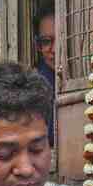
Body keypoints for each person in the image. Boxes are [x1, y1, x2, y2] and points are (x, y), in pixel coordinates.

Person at [34, 10, 56, 146]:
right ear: (38, 46)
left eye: (60, 39)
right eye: (46, 41)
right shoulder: (34, 86)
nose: (53, 49)